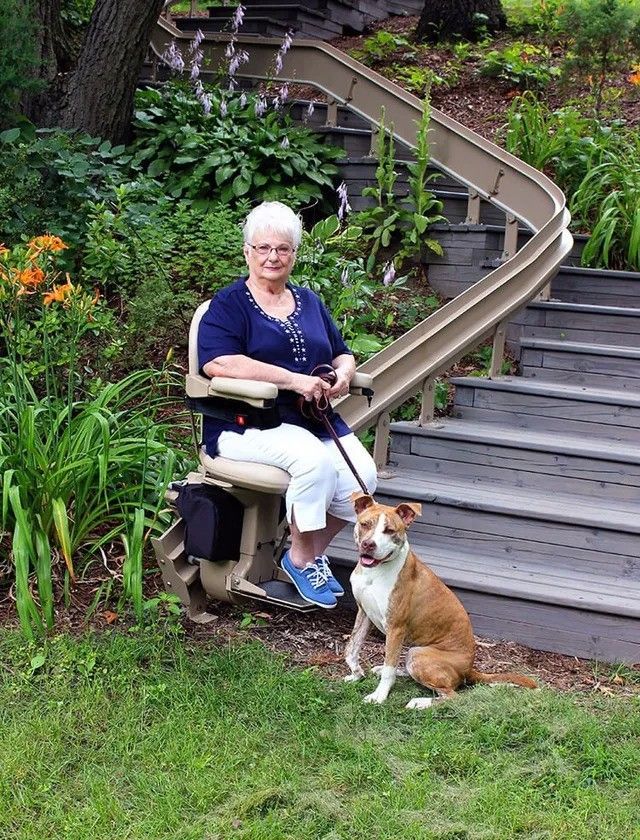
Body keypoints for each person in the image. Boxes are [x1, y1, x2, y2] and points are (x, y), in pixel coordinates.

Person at [197, 200, 378, 609]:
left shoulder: (309, 301)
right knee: (313, 463)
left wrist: (343, 374)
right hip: (245, 423)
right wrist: (294, 380)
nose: (272, 257)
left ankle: (310, 554)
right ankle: (299, 559)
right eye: (263, 248)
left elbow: (341, 352)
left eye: (282, 249)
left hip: (311, 419)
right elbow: (218, 362)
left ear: (294, 254)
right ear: (247, 252)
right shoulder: (228, 305)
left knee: (363, 480)